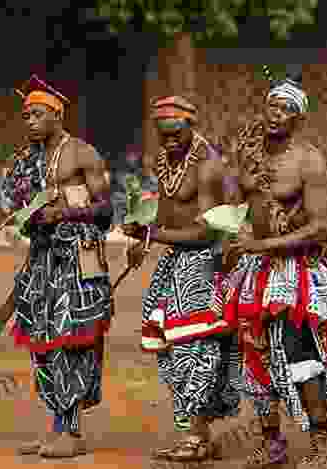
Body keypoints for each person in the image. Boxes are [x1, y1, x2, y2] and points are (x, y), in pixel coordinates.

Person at [221, 73, 327, 469]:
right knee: (255, 356)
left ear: (298, 118)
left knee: (300, 355)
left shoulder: (308, 159)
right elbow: (235, 206)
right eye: (272, 105)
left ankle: (321, 443)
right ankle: (272, 442)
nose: (276, 114)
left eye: (286, 109)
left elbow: (319, 226)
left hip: (296, 271)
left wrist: (261, 245)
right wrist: (233, 238)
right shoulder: (248, 154)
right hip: (255, 268)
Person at [0, 75, 113, 458]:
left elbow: (106, 211)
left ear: (56, 114)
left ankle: (73, 432)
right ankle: (57, 427)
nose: (28, 121)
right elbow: (18, 207)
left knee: (72, 340)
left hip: (79, 260)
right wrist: (25, 216)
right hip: (43, 259)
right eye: (25, 115)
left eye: (36, 114)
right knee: (43, 344)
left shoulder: (82, 154)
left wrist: (65, 212)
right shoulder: (27, 161)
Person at [122, 96, 240, 462]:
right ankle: (198, 434)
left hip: (205, 263)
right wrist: (141, 227)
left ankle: (197, 436)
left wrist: (151, 235)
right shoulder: (164, 160)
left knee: (196, 344)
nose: (169, 138)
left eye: (176, 132)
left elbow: (206, 232)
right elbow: (169, 211)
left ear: (192, 125)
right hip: (176, 260)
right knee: (169, 345)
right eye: (162, 132)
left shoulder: (207, 165)